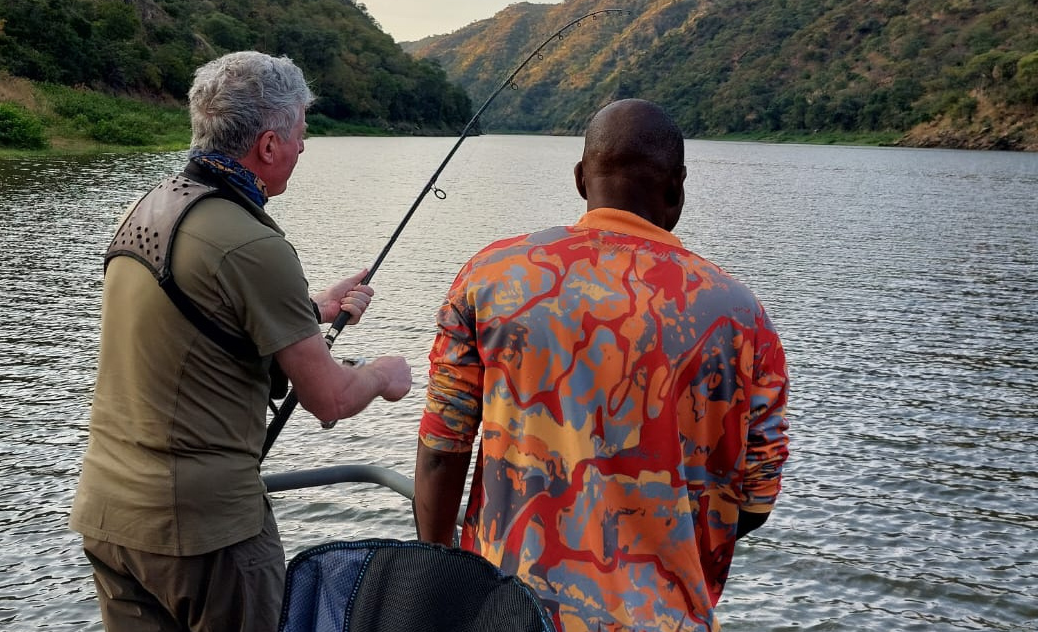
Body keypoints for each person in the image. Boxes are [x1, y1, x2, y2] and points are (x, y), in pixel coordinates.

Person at [413, 98, 789, 632]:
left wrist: (439, 577)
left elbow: (441, 450)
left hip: (503, 612)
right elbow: (756, 499)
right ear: (677, 188)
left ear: (579, 179)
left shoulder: (492, 276)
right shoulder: (740, 313)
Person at [70, 51, 412, 632]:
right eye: (300, 135)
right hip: (206, 534)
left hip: (110, 514)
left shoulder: (148, 208)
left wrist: (312, 310)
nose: (304, 148)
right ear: (270, 145)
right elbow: (328, 399)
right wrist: (382, 373)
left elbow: (195, 316)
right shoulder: (254, 246)